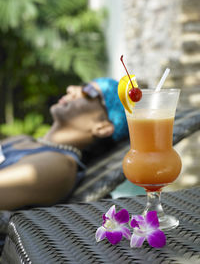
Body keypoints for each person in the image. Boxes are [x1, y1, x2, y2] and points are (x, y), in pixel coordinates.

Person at [0, 78, 128, 210]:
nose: (71, 88)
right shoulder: (21, 140)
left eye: (89, 92)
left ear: (102, 127)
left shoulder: (59, 165)